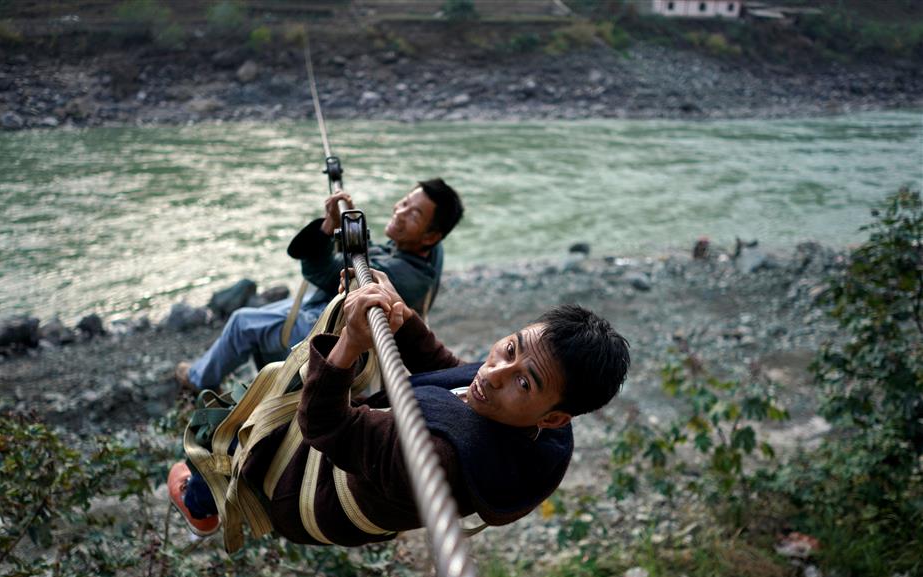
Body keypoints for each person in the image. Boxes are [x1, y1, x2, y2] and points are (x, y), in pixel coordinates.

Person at [168, 271, 631, 544]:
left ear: (554, 417)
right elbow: (452, 374)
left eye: (523, 381)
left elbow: (324, 426)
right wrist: (404, 318)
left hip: (306, 491)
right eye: (510, 348)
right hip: (374, 461)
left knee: (255, 424)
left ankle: (201, 502)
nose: (494, 374)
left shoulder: (435, 457)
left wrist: (350, 343)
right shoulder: (535, 423)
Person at [175, 179, 464, 393]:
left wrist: (329, 227)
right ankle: (269, 378)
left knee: (242, 322)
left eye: (413, 215)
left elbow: (325, 272)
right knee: (259, 323)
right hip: (346, 322)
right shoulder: (426, 250)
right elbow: (373, 255)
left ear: (431, 236)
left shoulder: (402, 276)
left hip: (338, 335)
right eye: (404, 202)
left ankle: (198, 381)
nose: (399, 212)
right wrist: (349, 227)